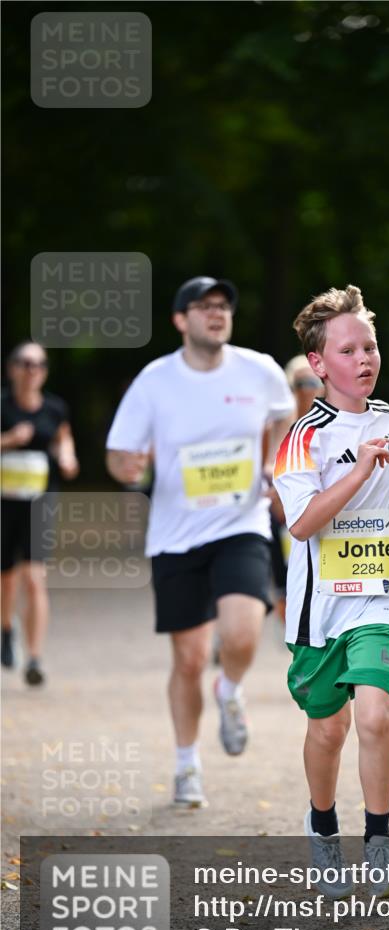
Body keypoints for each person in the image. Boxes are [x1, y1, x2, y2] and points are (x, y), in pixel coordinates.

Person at [273, 285, 389, 897]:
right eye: (349, 350)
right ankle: (323, 830)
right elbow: (302, 522)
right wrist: (360, 471)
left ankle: (379, 841)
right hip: (321, 609)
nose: (365, 358)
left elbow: (387, 471)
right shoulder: (302, 438)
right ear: (319, 364)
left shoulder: (388, 418)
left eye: (370, 346)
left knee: (375, 714)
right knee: (328, 729)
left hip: (378, 595)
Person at [106, 276, 294, 807]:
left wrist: (273, 465)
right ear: (179, 320)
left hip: (241, 524)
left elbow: (283, 417)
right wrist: (128, 467)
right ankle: (187, 765)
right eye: (204, 306)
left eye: (223, 307)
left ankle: (230, 690)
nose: (217, 314)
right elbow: (120, 455)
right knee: (188, 660)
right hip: (175, 534)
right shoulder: (154, 381)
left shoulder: (258, 370)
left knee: (240, 634)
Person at [1, 342, 79, 685]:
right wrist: (8, 440)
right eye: (24, 363)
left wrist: (67, 457)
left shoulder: (55, 407)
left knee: (34, 578)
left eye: (39, 364)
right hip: (4, 503)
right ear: (12, 368)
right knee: (6, 578)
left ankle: (34, 658)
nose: (32, 370)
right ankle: (6, 629)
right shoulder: (2, 405)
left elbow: (64, 439)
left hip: (39, 501)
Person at [267, 357, 323, 622]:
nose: (308, 389)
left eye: (314, 381)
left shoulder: (336, 423)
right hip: (286, 515)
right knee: (289, 575)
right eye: (301, 383)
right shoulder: (281, 427)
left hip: (325, 512)